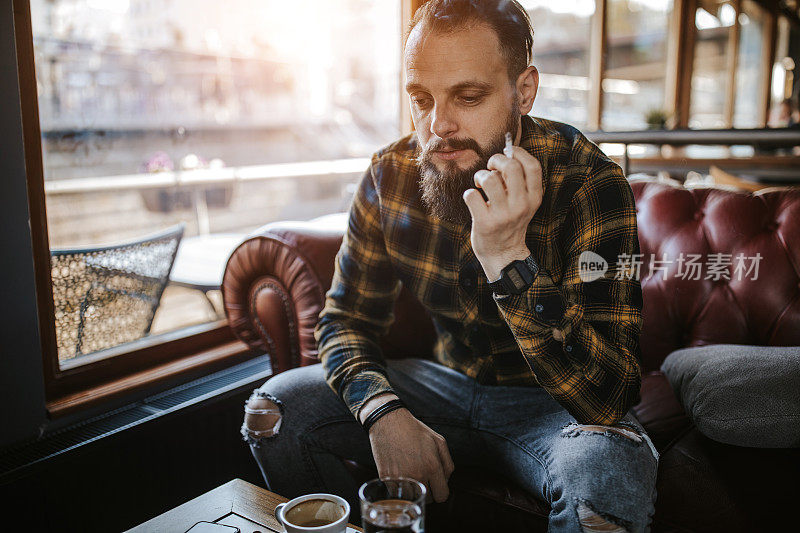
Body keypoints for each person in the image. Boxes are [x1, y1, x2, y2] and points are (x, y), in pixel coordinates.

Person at [241, 1, 658, 531]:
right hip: (439, 385)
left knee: (609, 475)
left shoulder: (590, 182)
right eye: (421, 99)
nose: (438, 125)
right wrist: (383, 412)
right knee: (274, 410)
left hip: (549, 410)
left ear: (523, 91)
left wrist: (508, 256)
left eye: (469, 96)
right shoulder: (390, 174)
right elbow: (343, 321)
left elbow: (610, 395)